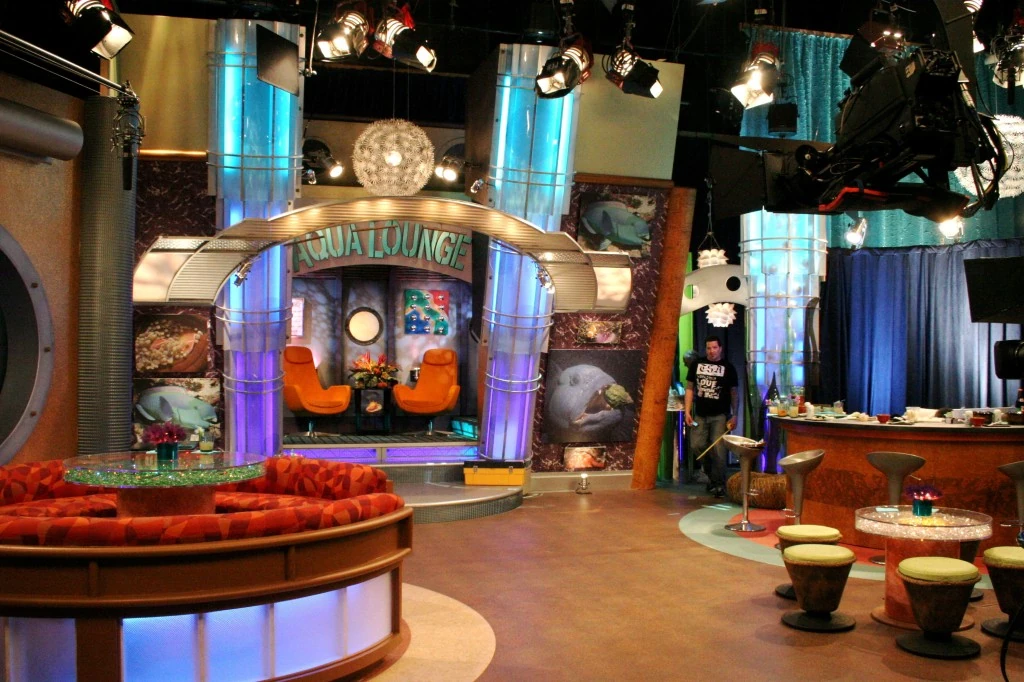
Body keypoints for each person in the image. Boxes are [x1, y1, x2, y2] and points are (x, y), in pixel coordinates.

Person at [684, 335, 738, 498]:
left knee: (719, 450)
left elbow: (734, 393)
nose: (712, 351)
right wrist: (687, 411)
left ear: (720, 348)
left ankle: (719, 484)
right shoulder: (697, 364)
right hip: (700, 414)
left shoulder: (728, 367)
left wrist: (735, 414)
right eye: (709, 348)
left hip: (720, 415)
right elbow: (690, 388)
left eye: (714, 348)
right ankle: (712, 475)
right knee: (696, 445)